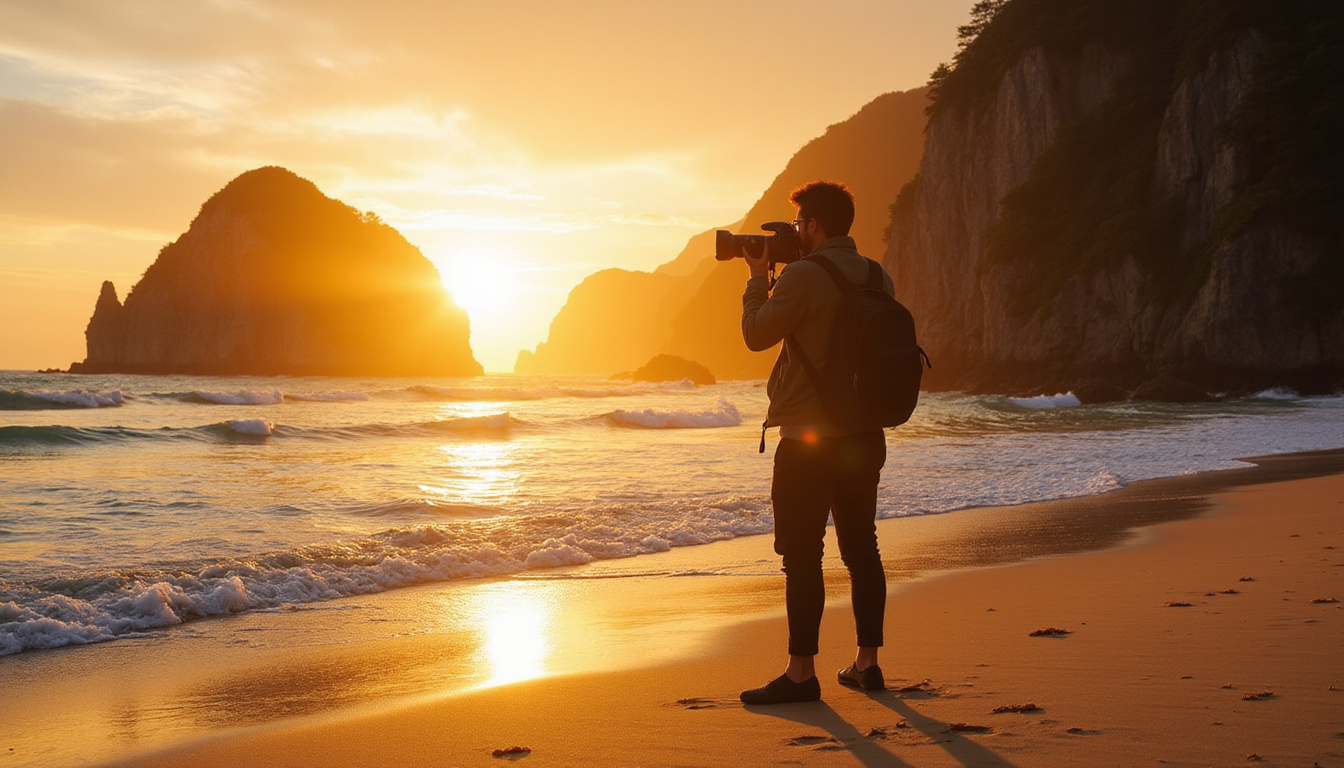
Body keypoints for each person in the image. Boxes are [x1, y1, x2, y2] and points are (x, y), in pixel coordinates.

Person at [738, 180, 892, 705]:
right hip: (864, 437)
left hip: (808, 442)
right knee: (861, 549)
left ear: (814, 225)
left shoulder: (802, 276)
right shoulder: (877, 274)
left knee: (802, 557)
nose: (797, 231)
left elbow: (757, 333)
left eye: (800, 223)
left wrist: (759, 278)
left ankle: (802, 674)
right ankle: (867, 665)